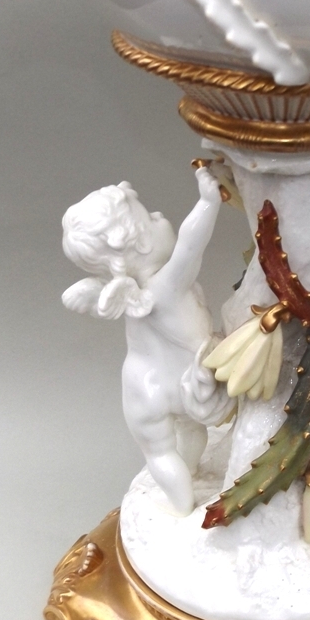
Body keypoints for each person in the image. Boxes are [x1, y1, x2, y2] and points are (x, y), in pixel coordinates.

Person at [62, 167, 225, 516]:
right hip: (185, 381)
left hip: (141, 386)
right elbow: (191, 244)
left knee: (159, 450)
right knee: (191, 428)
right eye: (151, 218)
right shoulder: (167, 285)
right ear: (142, 244)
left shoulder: (130, 291)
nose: (159, 215)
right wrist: (208, 202)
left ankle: (180, 501)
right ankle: (187, 487)